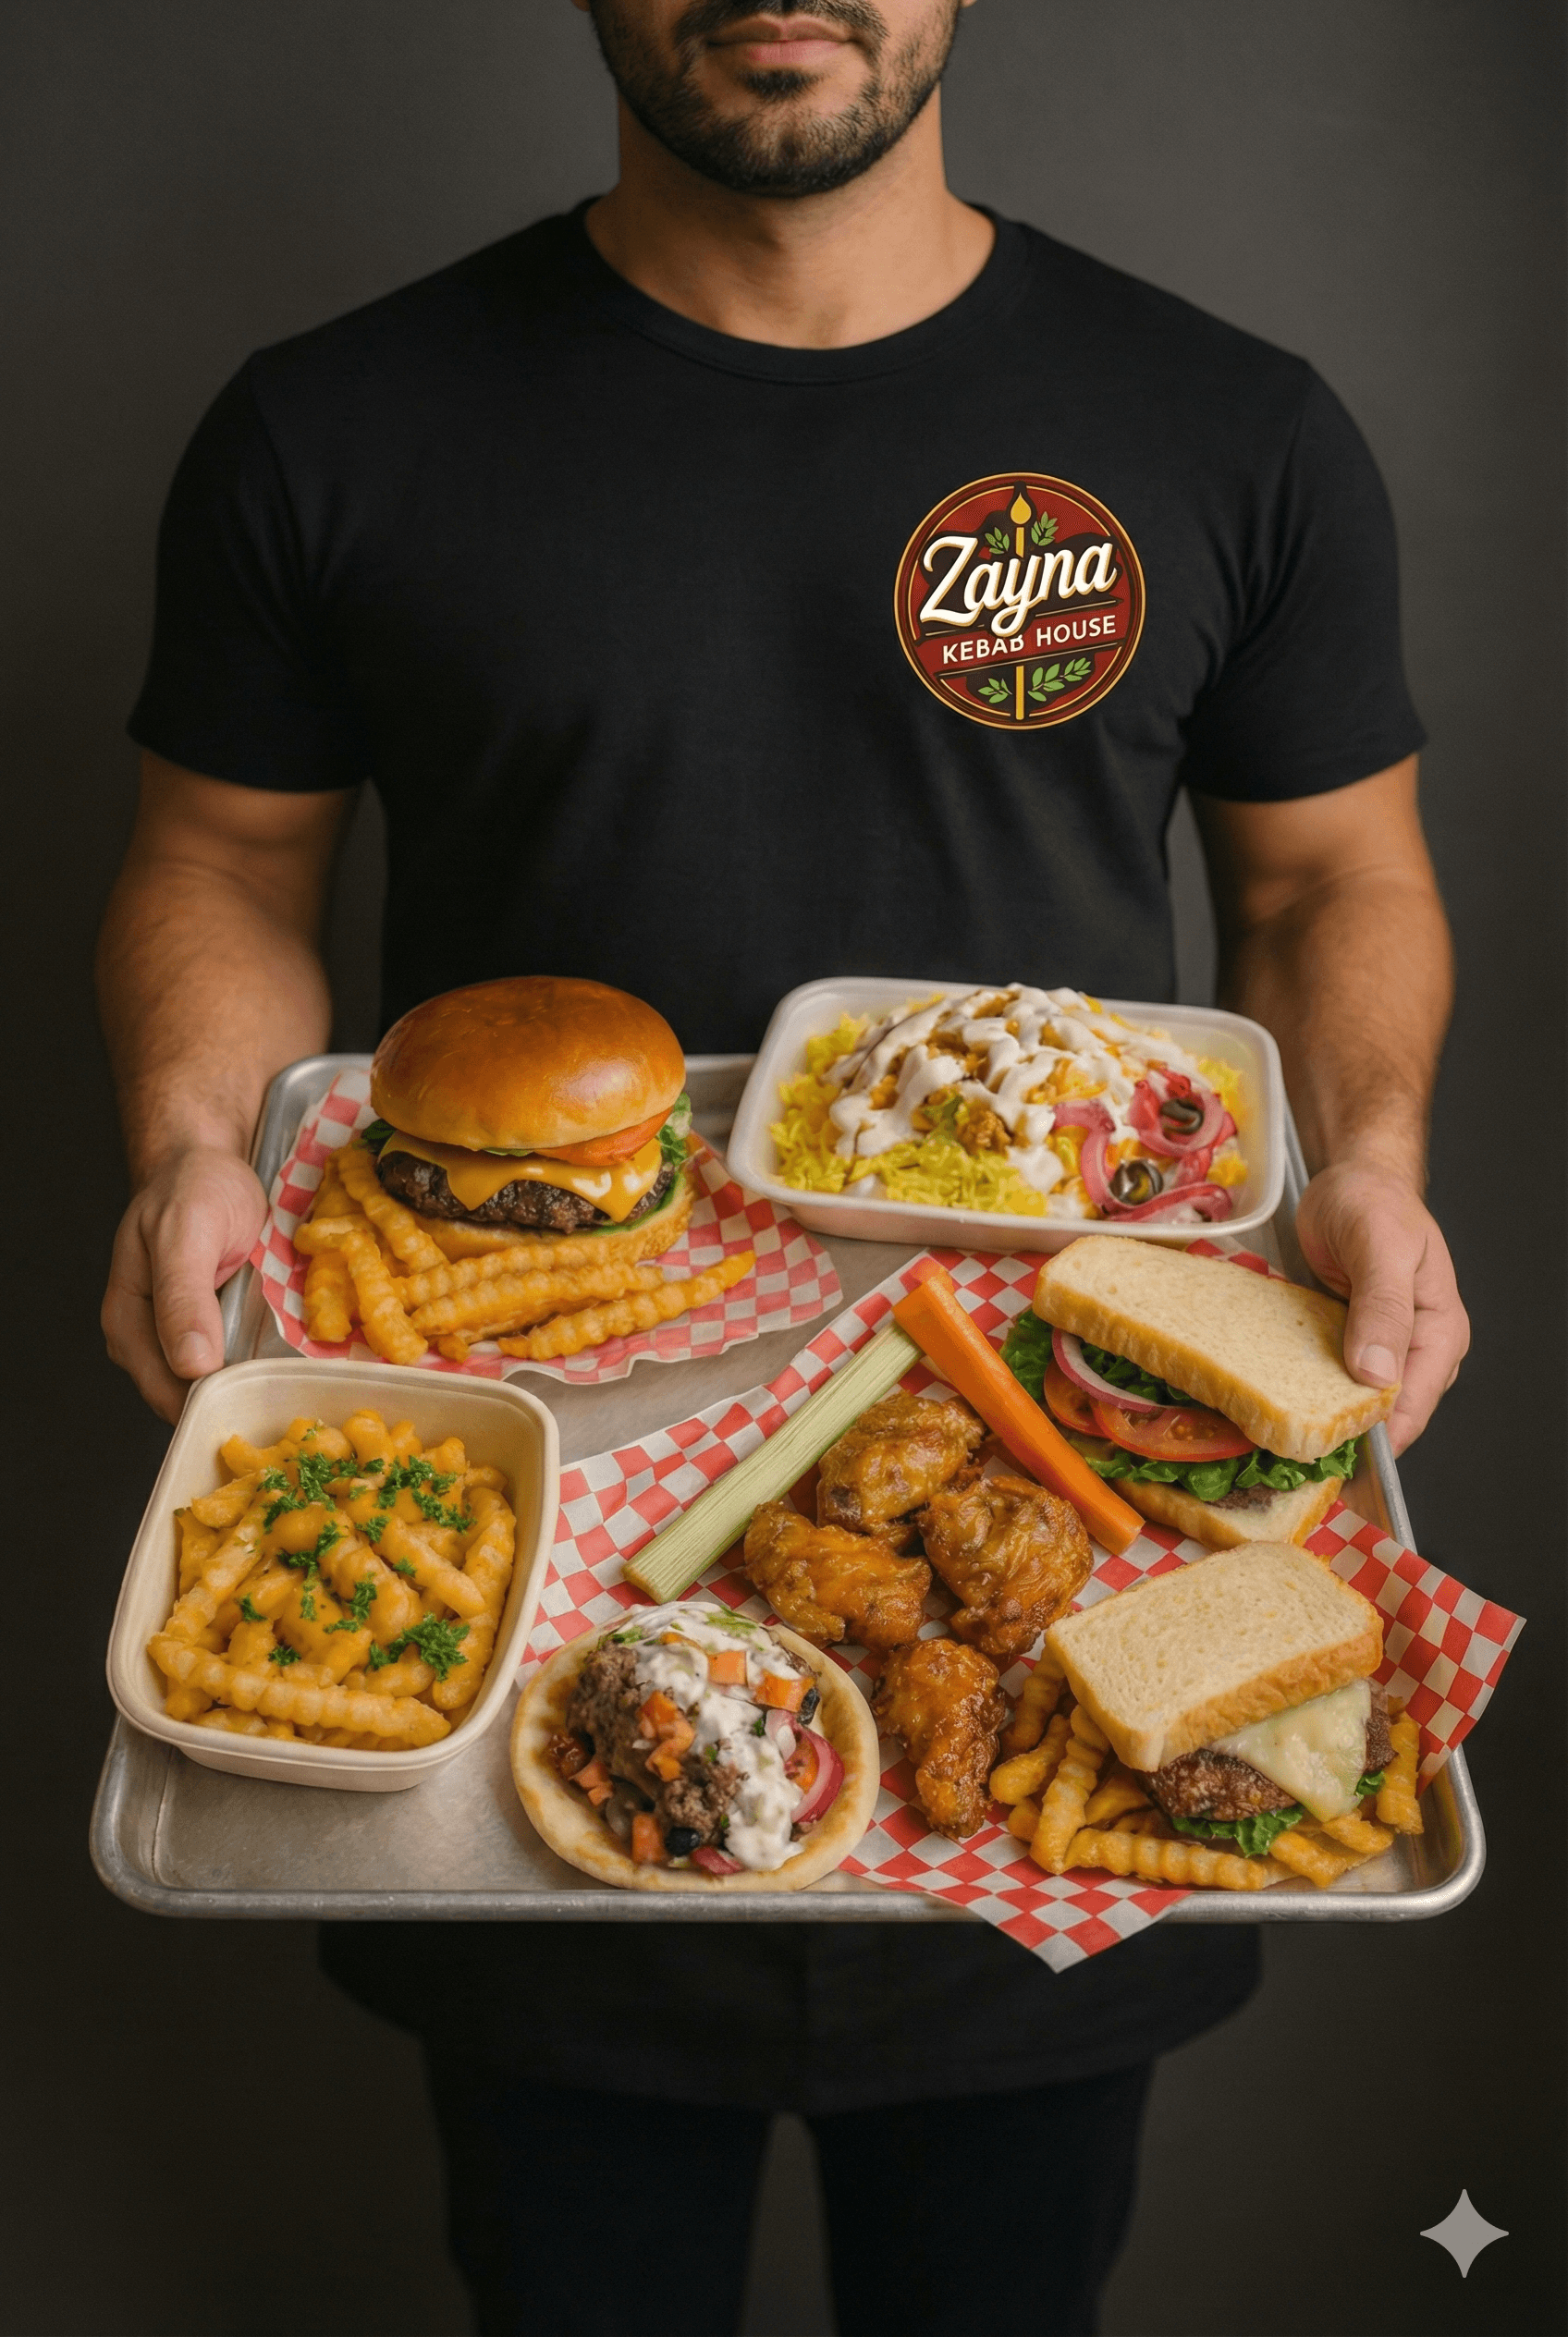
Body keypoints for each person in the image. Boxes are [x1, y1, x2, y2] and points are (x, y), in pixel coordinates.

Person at [98, 5, 1470, 2331]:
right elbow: (220, 856)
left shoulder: (1228, 423)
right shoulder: (332, 421)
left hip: (1073, 1588)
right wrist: (187, 1141)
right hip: (525, 1582)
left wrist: (1368, 1157)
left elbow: (1331, 876)